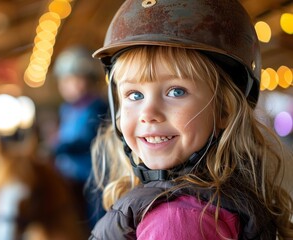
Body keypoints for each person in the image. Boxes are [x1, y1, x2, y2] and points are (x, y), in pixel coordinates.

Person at [89, 0, 293, 239]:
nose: (148, 113)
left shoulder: (176, 223)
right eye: (135, 95)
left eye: (176, 91)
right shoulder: (215, 201)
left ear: (224, 110)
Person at [52, 46, 108, 233]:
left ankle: (96, 232)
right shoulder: (66, 109)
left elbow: (88, 139)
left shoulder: (96, 106)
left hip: (90, 172)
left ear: (89, 81)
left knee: (97, 202)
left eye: (76, 80)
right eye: (66, 81)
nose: (69, 85)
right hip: (67, 170)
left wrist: (60, 147)